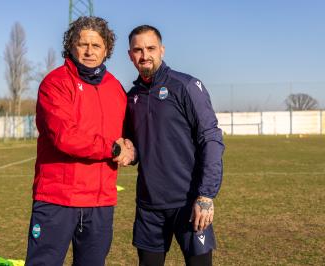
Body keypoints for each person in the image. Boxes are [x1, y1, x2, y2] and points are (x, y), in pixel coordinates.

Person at [25, 16, 134, 266]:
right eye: (82, 44)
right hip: (57, 199)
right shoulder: (55, 83)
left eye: (96, 45)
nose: (88, 51)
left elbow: (128, 134)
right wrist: (113, 148)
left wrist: (132, 150)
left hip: (101, 201)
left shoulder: (116, 88)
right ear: (70, 46)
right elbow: (65, 136)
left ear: (106, 50)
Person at [125, 25, 225, 266]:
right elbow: (134, 147)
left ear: (162, 50)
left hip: (189, 203)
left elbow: (210, 139)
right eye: (138, 50)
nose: (144, 55)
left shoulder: (186, 86)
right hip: (149, 207)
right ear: (130, 55)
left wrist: (206, 196)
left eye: (150, 48)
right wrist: (125, 151)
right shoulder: (132, 97)